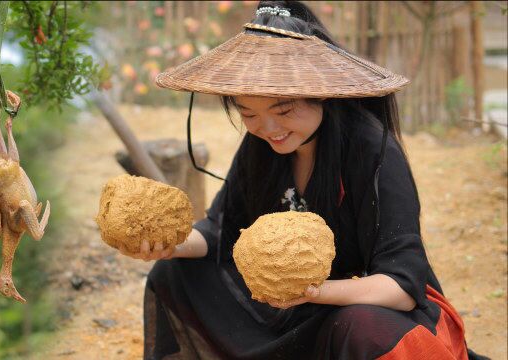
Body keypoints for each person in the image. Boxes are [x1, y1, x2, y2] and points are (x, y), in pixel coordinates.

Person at [117, 2, 487, 359]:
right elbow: (220, 230)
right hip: (301, 305)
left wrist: (312, 291)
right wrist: (168, 244)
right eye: (249, 114)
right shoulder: (260, 144)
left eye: (284, 110)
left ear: (322, 94)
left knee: (359, 327)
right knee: (176, 273)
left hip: (369, 307)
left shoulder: (373, 151)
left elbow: (403, 287)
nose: (268, 129)